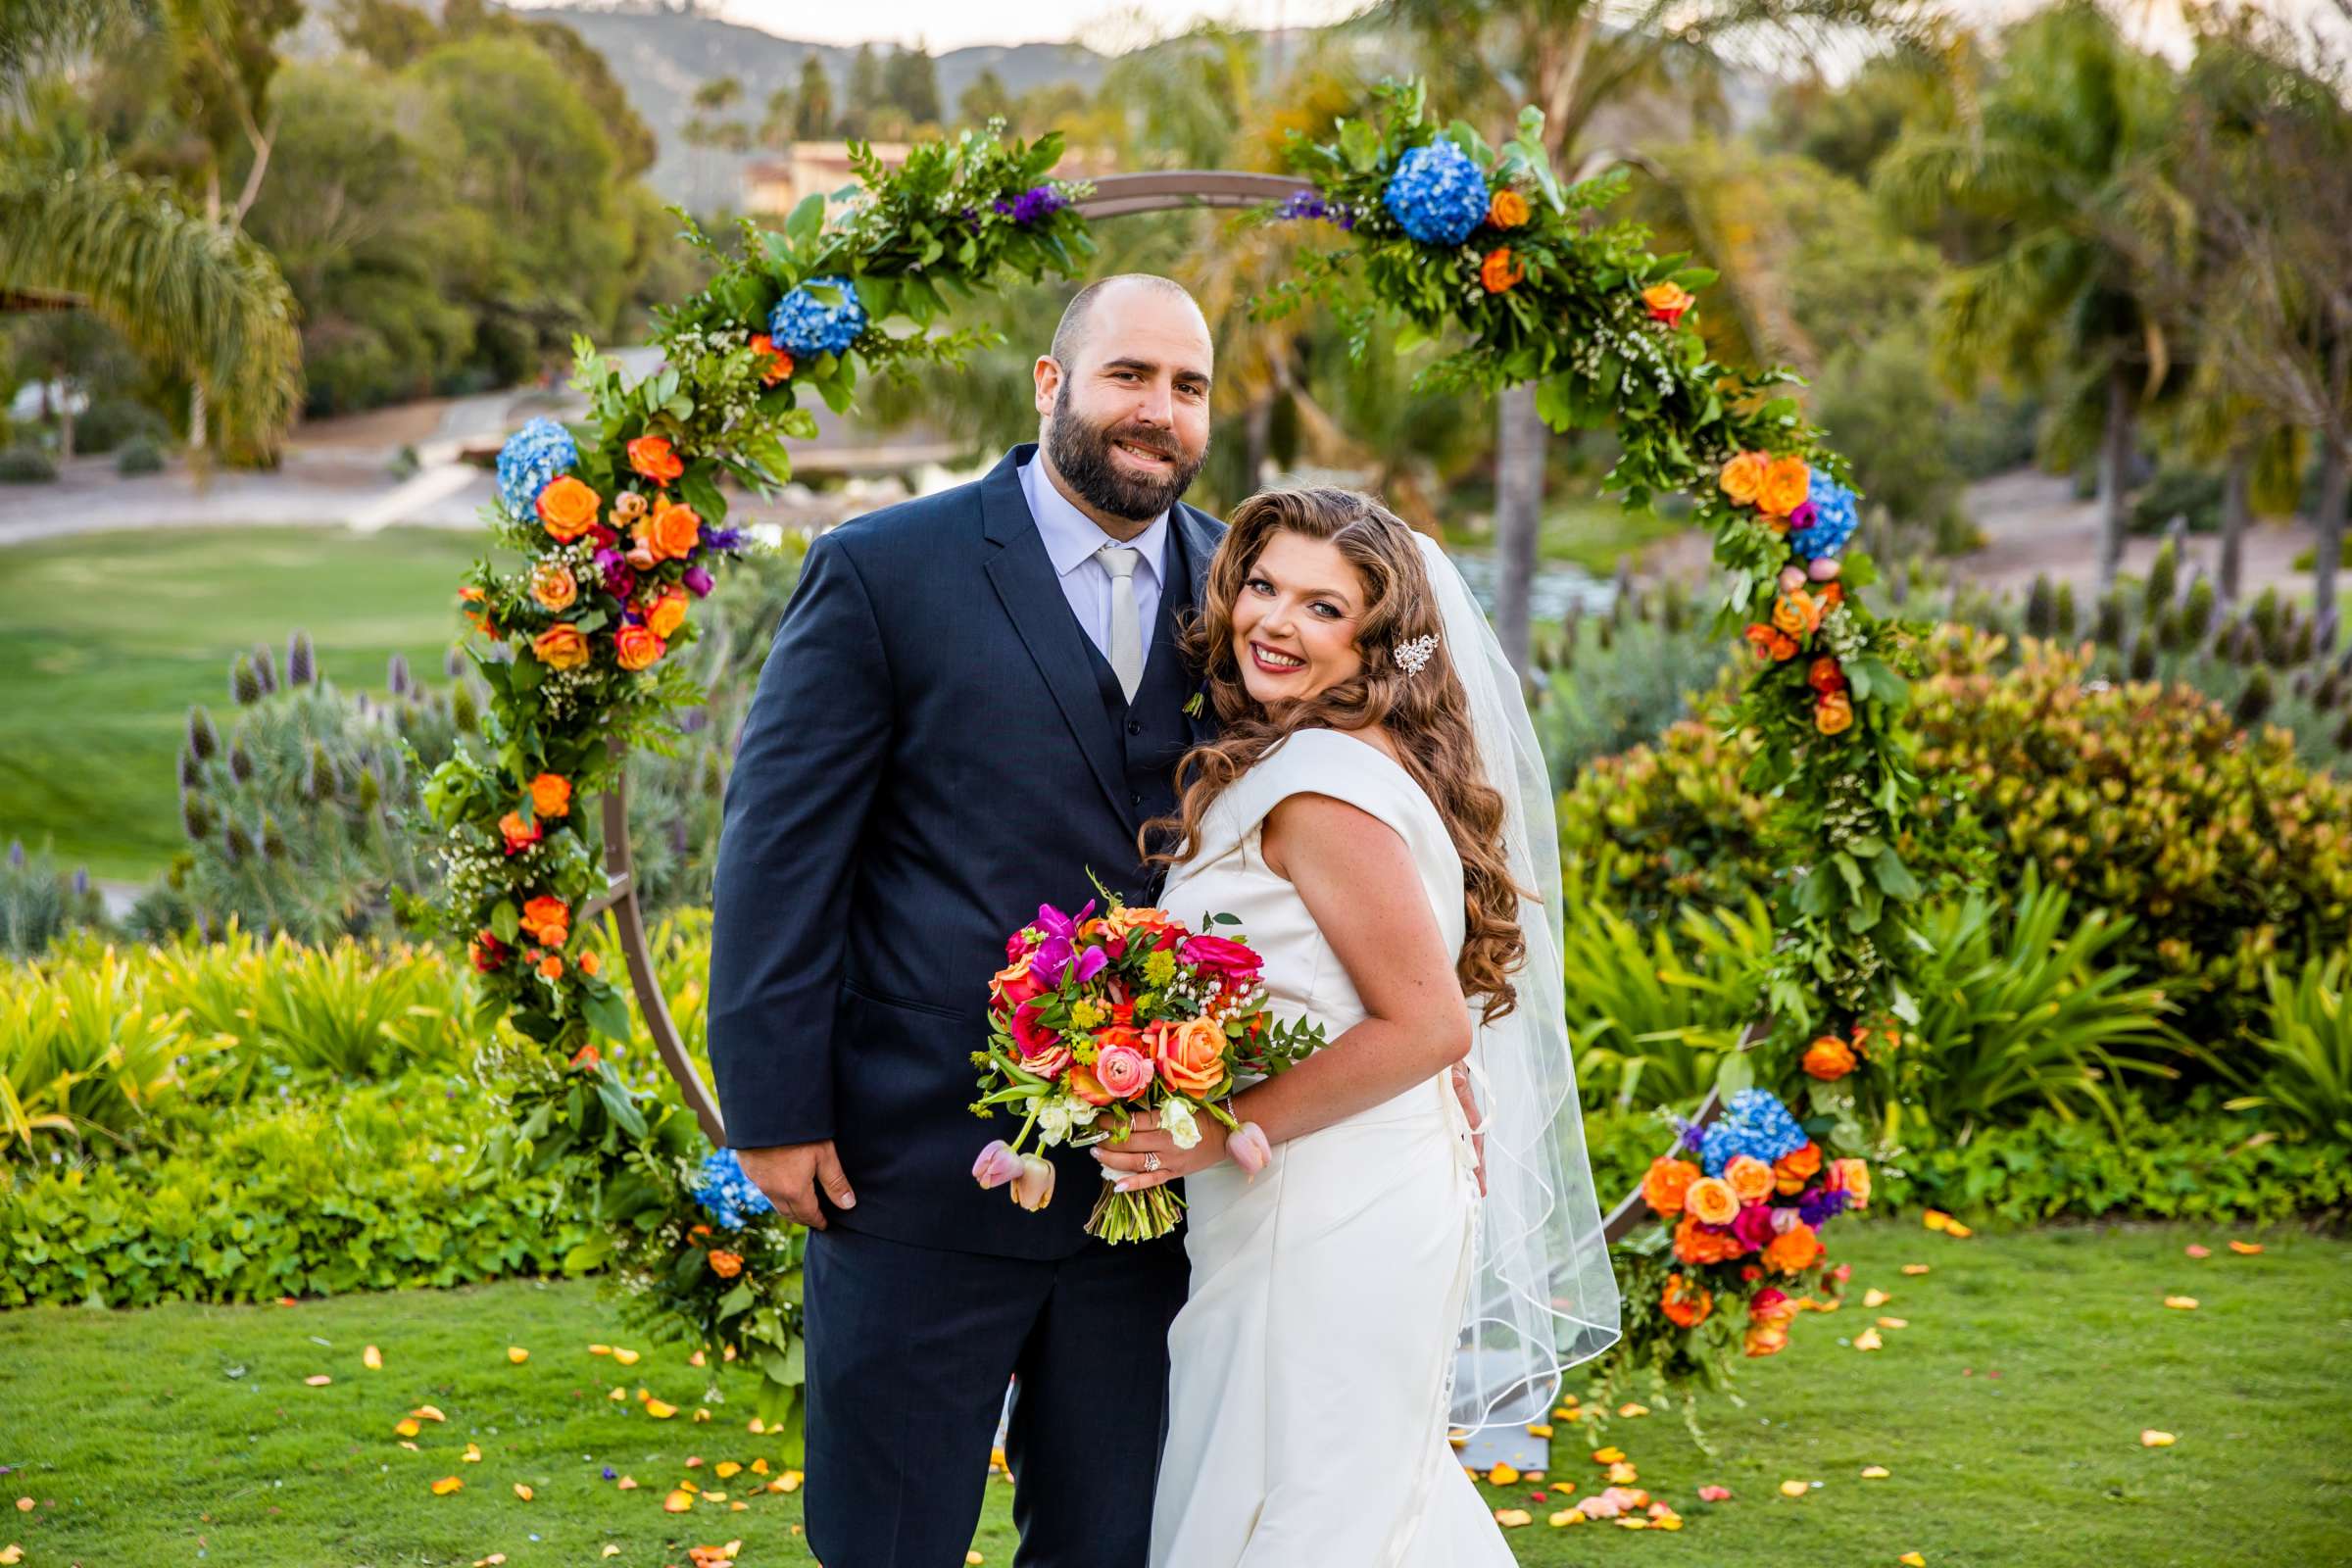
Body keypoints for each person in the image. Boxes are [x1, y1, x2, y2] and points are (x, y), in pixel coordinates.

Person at [706, 273, 1223, 1567]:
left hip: (1147, 1202)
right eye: (1129, 376)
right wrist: (772, 1112)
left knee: (1111, 1544)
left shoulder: (1247, 593)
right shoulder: (885, 571)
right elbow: (780, 855)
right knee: (887, 1541)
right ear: (1051, 386)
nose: (1157, 410)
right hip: (910, 1167)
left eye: (1188, 387)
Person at [1092, 487, 1622, 1565]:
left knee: (1307, 1504)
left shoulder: (1321, 784)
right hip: (1314, 1188)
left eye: (1324, 608)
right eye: (1264, 585)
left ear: (1380, 640)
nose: (1275, 623)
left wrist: (1215, 1125)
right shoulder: (1341, 759)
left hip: (1328, 1205)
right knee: (1338, 1494)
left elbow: (1428, 1025)